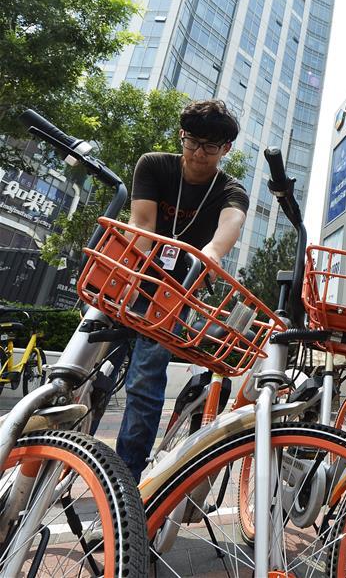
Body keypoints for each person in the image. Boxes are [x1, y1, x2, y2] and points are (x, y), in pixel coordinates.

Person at [115, 99, 248, 481]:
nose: (197, 154)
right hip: (129, 274)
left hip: (177, 292)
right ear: (181, 135)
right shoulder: (154, 165)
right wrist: (136, 279)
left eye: (210, 147)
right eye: (192, 142)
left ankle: (124, 481)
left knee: (144, 380)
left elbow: (229, 227)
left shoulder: (229, 190)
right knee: (89, 360)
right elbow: (140, 225)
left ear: (225, 149)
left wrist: (211, 254)